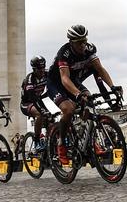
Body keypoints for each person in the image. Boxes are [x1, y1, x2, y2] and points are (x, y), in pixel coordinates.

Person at [47, 25, 122, 165]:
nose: (82, 45)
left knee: (89, 102)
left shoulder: (89, 50)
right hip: (56, 83)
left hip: (73, 81)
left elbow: (100, 69)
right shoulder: (64, 53)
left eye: (84, 41)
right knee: (68, 109)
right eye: (79, 42)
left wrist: (113, 87)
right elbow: (64, 79)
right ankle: (61, 144)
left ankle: (89, 141)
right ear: (71, 42)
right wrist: (77, 94)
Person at [20, 55, 49, 153]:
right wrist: (42, 110)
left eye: (43, 68)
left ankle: (50, 140)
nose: (42, 71)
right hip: (26, 103)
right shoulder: (29, 79)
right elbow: (33, 97)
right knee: (39, 113)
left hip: (38, 100)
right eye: (39, 69)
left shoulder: (47, 74)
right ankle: (36, 141)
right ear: (34, 69)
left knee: (52, 117)